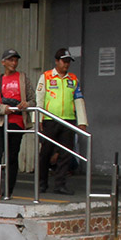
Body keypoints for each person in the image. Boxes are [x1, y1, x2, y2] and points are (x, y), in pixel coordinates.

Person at [0, 48, 34, 200]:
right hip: (0, 121)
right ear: (3, 62)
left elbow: (33, 100)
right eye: (10, 60)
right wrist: (3, 109)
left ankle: (8, 190)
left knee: (12, 157)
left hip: (17, 122)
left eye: (16, 60)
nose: (14, 63)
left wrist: (25, 104)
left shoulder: (23, 78)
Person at [35, 47, 88, 195]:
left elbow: (78, 99)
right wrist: (38, 119)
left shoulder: (73, 79)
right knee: (45, 152)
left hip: (68, 120)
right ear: (56, 61)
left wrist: (82, 121)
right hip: (49, 119)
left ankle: (60, 185)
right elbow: (39, 98)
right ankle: (42, 183)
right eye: (64, 61)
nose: (66, 64)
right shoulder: (46, 76)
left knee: (66, 153)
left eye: (68, 62)